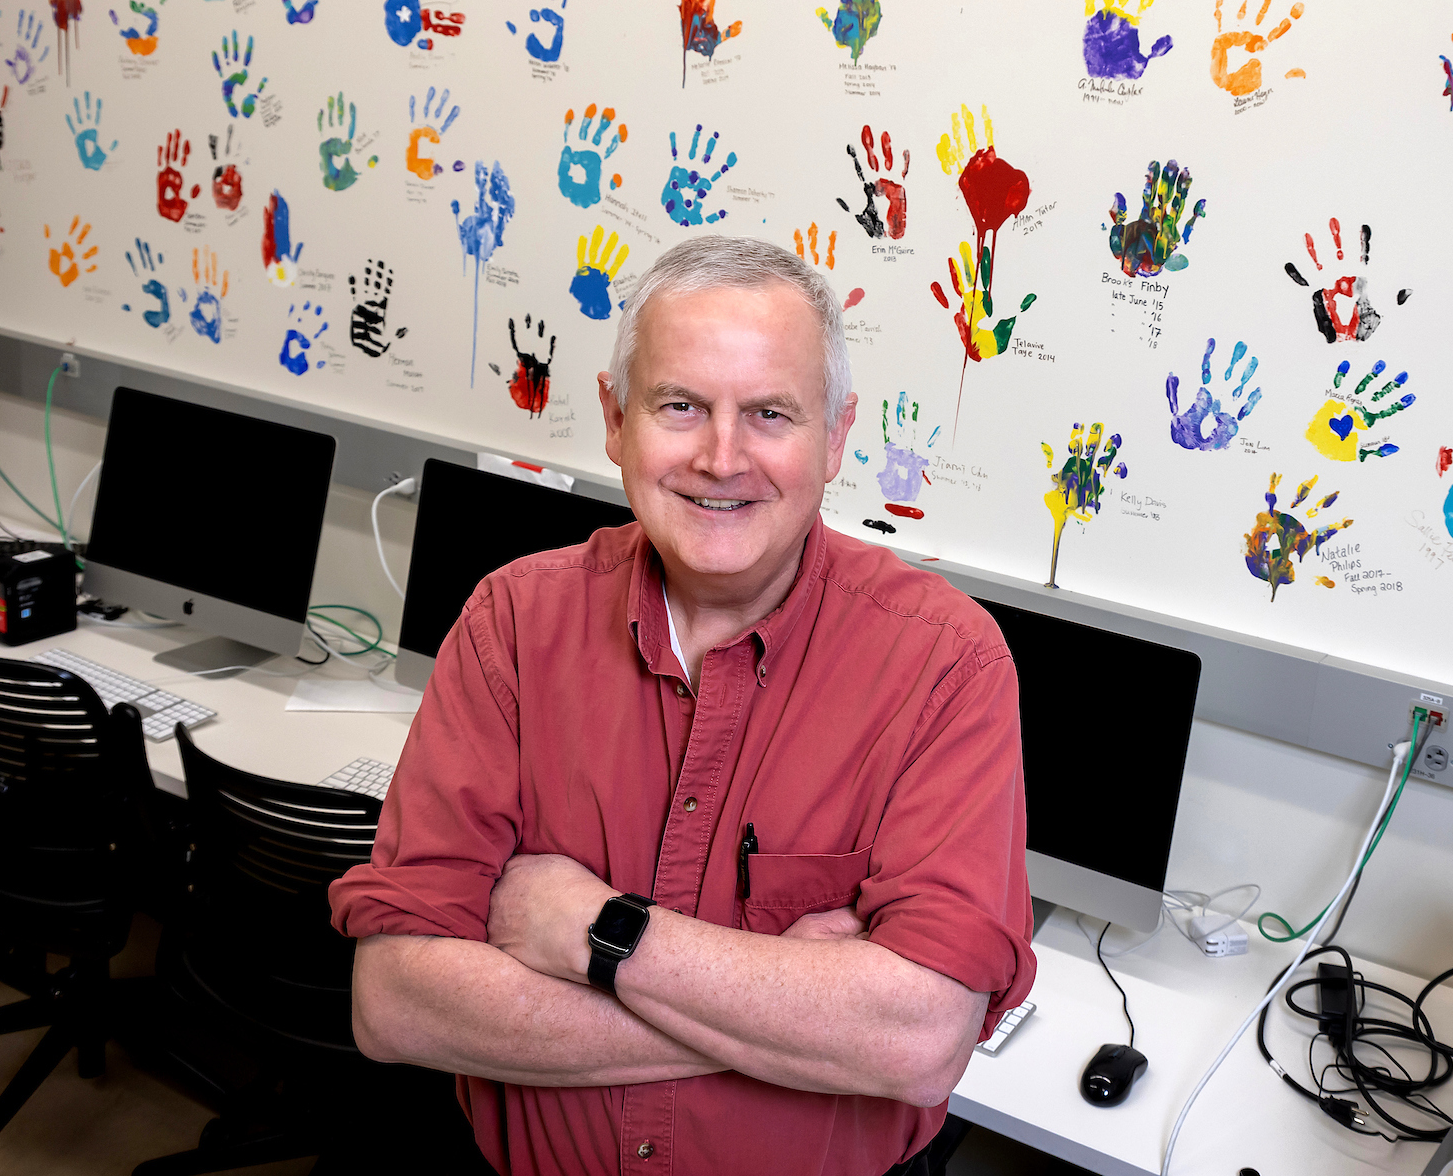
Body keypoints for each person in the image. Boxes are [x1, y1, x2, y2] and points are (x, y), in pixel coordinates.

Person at [332, 234, 1035, 1175]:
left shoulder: (945, 664)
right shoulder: (512, 621)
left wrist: (592, 930)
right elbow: (395, 1001)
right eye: (681, 405)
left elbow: (917, 1040)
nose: (721, 456)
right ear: (617, 420)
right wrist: (804, 1017)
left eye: (771, 413)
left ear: (835, 435)